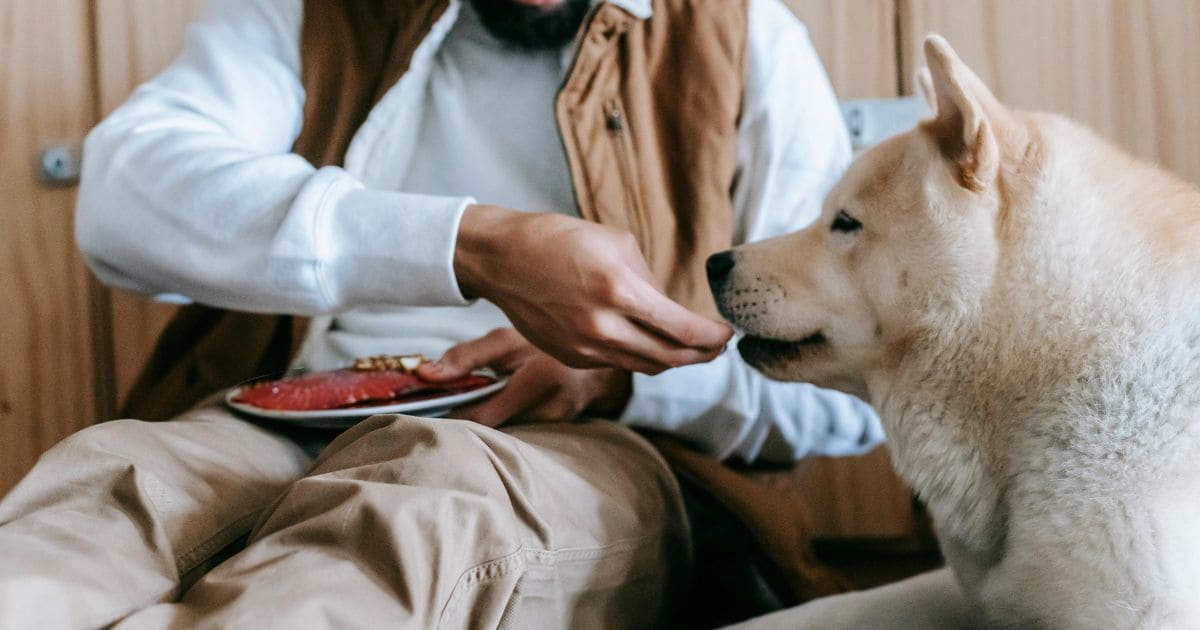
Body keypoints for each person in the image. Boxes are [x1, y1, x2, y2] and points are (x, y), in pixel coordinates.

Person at [0, 0, 883, 627]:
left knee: (418, 520)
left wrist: (612, 383)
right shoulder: (310, 14)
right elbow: (122, 198)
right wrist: (472, 244)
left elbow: (850, 392)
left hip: (589, 448)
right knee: (109, 488)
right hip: (296, 405)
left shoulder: (744, 35)